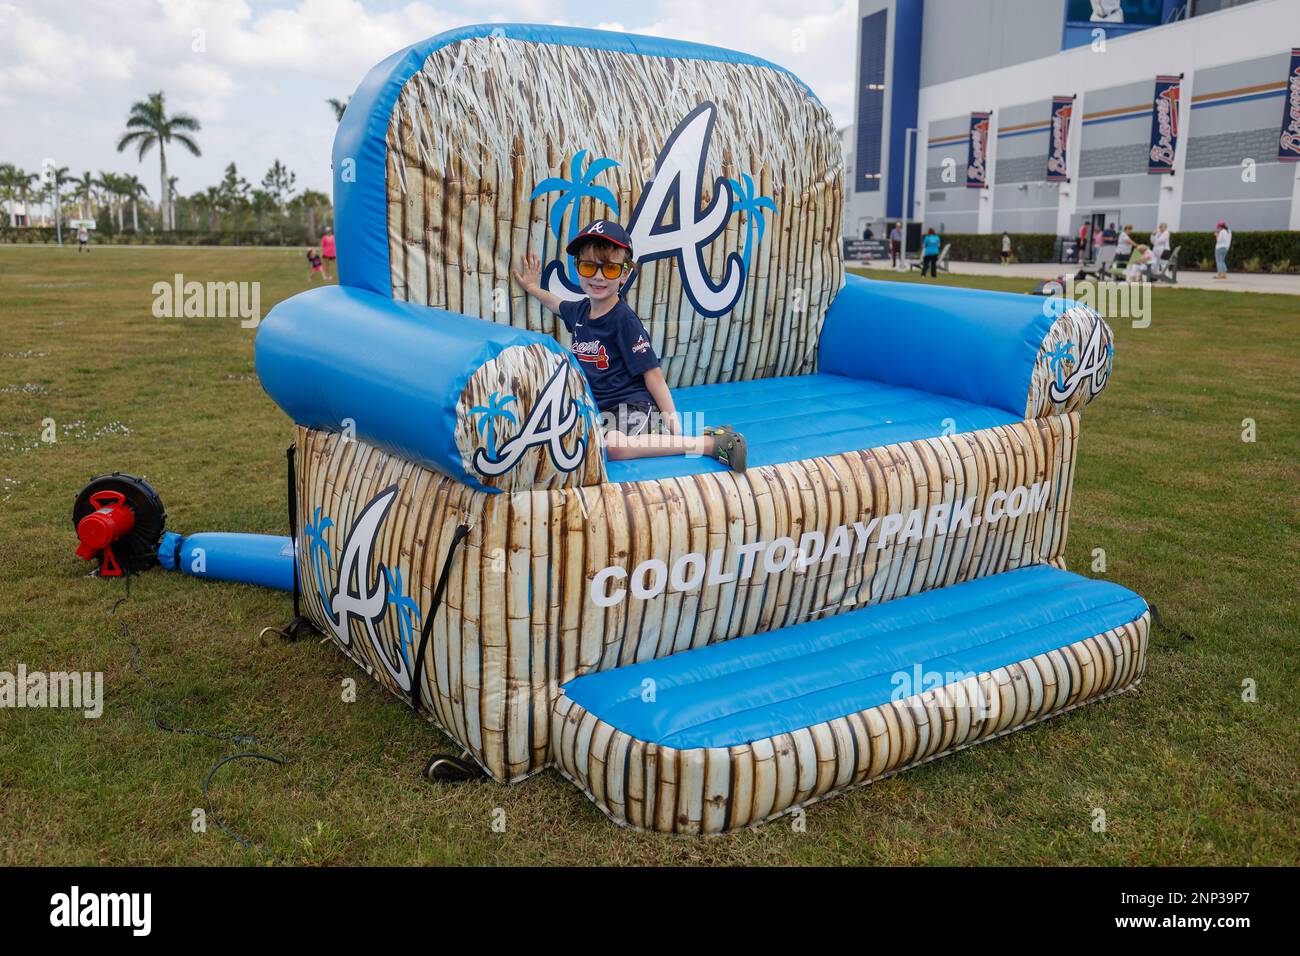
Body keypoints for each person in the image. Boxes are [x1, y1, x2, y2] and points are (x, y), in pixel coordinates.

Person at [513, 219, 747, 470]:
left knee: (613, 447)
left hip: (632, 406)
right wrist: (533, 288)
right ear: (578, 269)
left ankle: (708, 444)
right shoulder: (580, 312)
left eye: (610, 269)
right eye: (589, 266)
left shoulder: (623, 320)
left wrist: (675, 428)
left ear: (624, 274)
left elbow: (653, 375)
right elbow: (555, 304)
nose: (599, 276)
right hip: (597, 410)